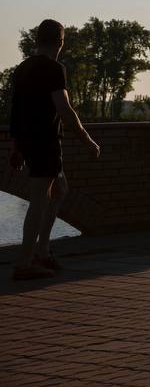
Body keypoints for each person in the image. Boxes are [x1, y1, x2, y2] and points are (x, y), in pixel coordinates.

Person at [8, 19, 100, 281]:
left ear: (36, 40)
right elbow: (65, 110)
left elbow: (16, 110)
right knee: (39, 200)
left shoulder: (22, 68)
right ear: (60, 42)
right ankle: (25, 262)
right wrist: (87, 139)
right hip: (45, 141)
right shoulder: (54, 69)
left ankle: (42, 250)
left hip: (28, 141)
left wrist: (17, 147)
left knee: (60, 190)